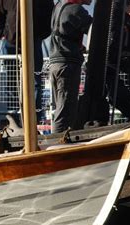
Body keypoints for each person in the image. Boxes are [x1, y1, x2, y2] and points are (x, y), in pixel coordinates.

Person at [0, 0, 54, 123]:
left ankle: (34, 117)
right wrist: (2, 34)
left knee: (35, 80)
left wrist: (39, 35)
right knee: (12, 80)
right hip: (11, 41)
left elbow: (51, 15)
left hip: (33, 40)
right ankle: (14, 116)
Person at [49, 0, 93, 133]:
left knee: (62, 107)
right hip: (67, 65)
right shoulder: (76, 10)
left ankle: (61, 140)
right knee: (65, 111)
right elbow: (97, 30)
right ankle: (57, 145)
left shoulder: (59, 6)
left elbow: (64, 31)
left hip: (56, 63)